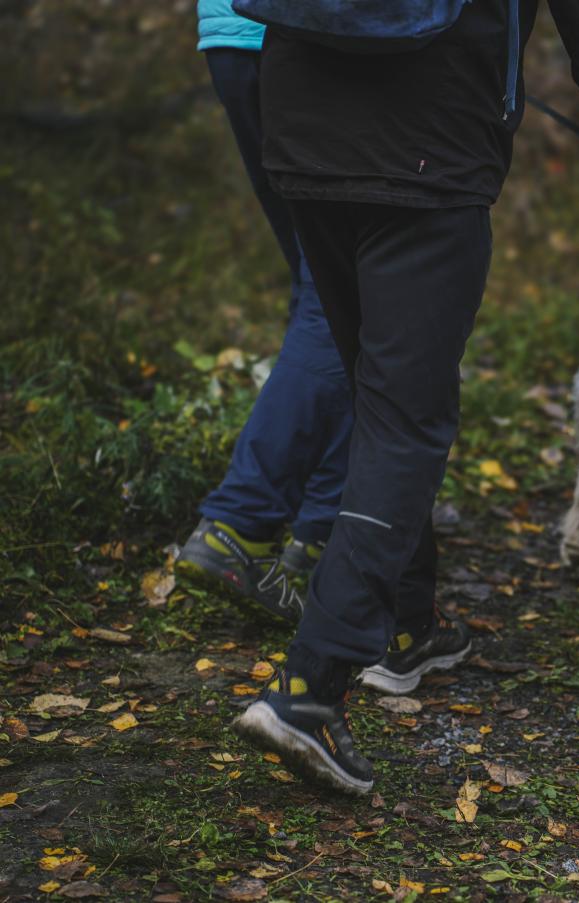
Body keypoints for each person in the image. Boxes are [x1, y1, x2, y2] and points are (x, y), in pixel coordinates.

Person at [232, 0, 579, 794]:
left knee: (374, 388)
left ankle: (406, 623)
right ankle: (310, 689)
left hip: (297, 119)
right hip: (428, 142)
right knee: (405, 417)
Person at [175, 1, 354, 621]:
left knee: (325, 283)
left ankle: (321, 536)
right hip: (306, 35)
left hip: (235, 34)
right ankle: (240, 524)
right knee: (341, 294)